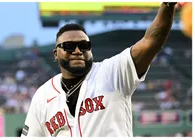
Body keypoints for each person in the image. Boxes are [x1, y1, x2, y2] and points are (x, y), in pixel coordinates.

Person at [21, 2, 177, 137]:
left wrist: (168, 4)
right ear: (56, 53)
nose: (77, 51)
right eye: (69, 46)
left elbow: (152, 40)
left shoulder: (112, 73)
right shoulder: (42, 96)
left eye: (84, 46)